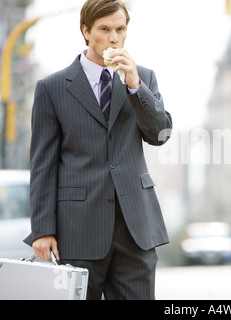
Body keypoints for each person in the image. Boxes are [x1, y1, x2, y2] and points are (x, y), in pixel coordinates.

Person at [23, 0, 172, 300]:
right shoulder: (52, 88)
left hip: (135, 231)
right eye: (105, 29)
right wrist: (42, 230)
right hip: (77, 231)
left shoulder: (143, 78)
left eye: (120, 29)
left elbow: (160, 134)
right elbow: (43, 165)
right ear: (86, 31)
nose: (114, 38)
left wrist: (134, 87)